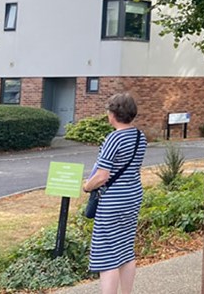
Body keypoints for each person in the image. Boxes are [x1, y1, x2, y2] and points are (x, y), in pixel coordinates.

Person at [82, 93, 148, 294]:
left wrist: (87, 186)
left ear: (113, 114)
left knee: (107, 255)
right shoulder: (139, 136)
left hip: (113, 200)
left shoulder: (113, 138)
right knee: (126, 250)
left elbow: (102, 175)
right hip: (132, 195)